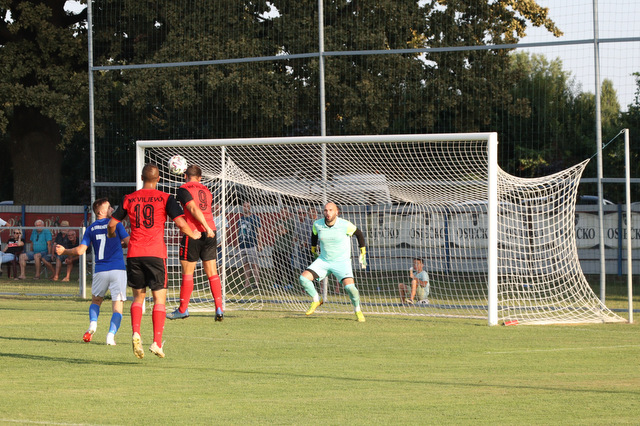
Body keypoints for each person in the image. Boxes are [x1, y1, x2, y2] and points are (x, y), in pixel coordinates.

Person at [109, 163, 201, 359]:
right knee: (159, 300)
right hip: (156, 254)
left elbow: (112, 224)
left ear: (142, 178)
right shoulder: (166, 198)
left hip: (134, 253)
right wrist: (193, 234)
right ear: (159, 179)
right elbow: (180, 223)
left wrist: (111, 235)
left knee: (138, 298)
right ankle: (157, 343)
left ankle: (136, 333)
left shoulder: (129, 198)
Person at [56, 198, 130, 345]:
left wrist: (64, 251)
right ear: (101, 211)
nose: (112, 210)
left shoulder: (91, 228)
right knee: (117, 306)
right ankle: (110, 336)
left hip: (100, 270)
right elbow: (130, 243)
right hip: (117, 269)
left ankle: (93, 325)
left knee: (96, 301)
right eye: (109, 207)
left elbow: (80, 251)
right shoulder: (116, 224)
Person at [167, 164, 224, 322]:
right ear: (200, 178)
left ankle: (183, 310)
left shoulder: (183, 189)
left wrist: (204, 227)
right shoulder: (206, 190)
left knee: (187, 272)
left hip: (194, 232)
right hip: (211, 232)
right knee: (212, 272)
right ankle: (219, 308)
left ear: (185, 176)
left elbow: (193, 209)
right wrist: (209, 228)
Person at [299, 202, 368, 322]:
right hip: (324, 260)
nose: (328, 213)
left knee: (350, 288)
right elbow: (314, 235)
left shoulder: (345, 224)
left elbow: (359, 233)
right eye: (326, 210)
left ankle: (357, 310)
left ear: (336, 212)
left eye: (331, 210)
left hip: (342, 262)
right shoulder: (317, 224)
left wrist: (363, 251)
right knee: (303, 279)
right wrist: (313, 249)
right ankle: (316, 299)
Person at [238, 200, 263, 288]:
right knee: (245, 265)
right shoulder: (240, 219)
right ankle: (247, 283)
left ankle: (256, 283)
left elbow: (259, 231)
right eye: (244, 206)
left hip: (252, 245)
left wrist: (260, 244)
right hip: (242, 245)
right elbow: (239, 231)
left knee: (254, 264)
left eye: (247, 206)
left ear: (250, 207)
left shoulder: (255, 218)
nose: (246, 208)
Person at [272, 205, 296, 286]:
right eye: (282, 212)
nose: (283, 213)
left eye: (285, 212)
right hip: (276, 247)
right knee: (277, 266)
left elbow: (283, 232)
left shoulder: (290, 222)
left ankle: (290, 283)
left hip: (286, 248)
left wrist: (278, 229)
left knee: (287, 266)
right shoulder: (278, 221)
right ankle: (278, 282)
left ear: (288, 213)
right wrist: (279, 229)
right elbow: (273, 231)